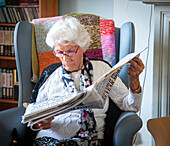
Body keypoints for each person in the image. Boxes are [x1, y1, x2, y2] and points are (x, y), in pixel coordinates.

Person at [29, 16, 144, 146]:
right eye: (59, 52)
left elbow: (131, 105)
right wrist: (40, 123)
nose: (65, 58)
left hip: (90, 140)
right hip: (50, 140)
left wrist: (134, 79)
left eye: (70, 52)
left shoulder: (103, 69)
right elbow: (34, 116)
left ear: (83, 47)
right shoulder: (50, 75)